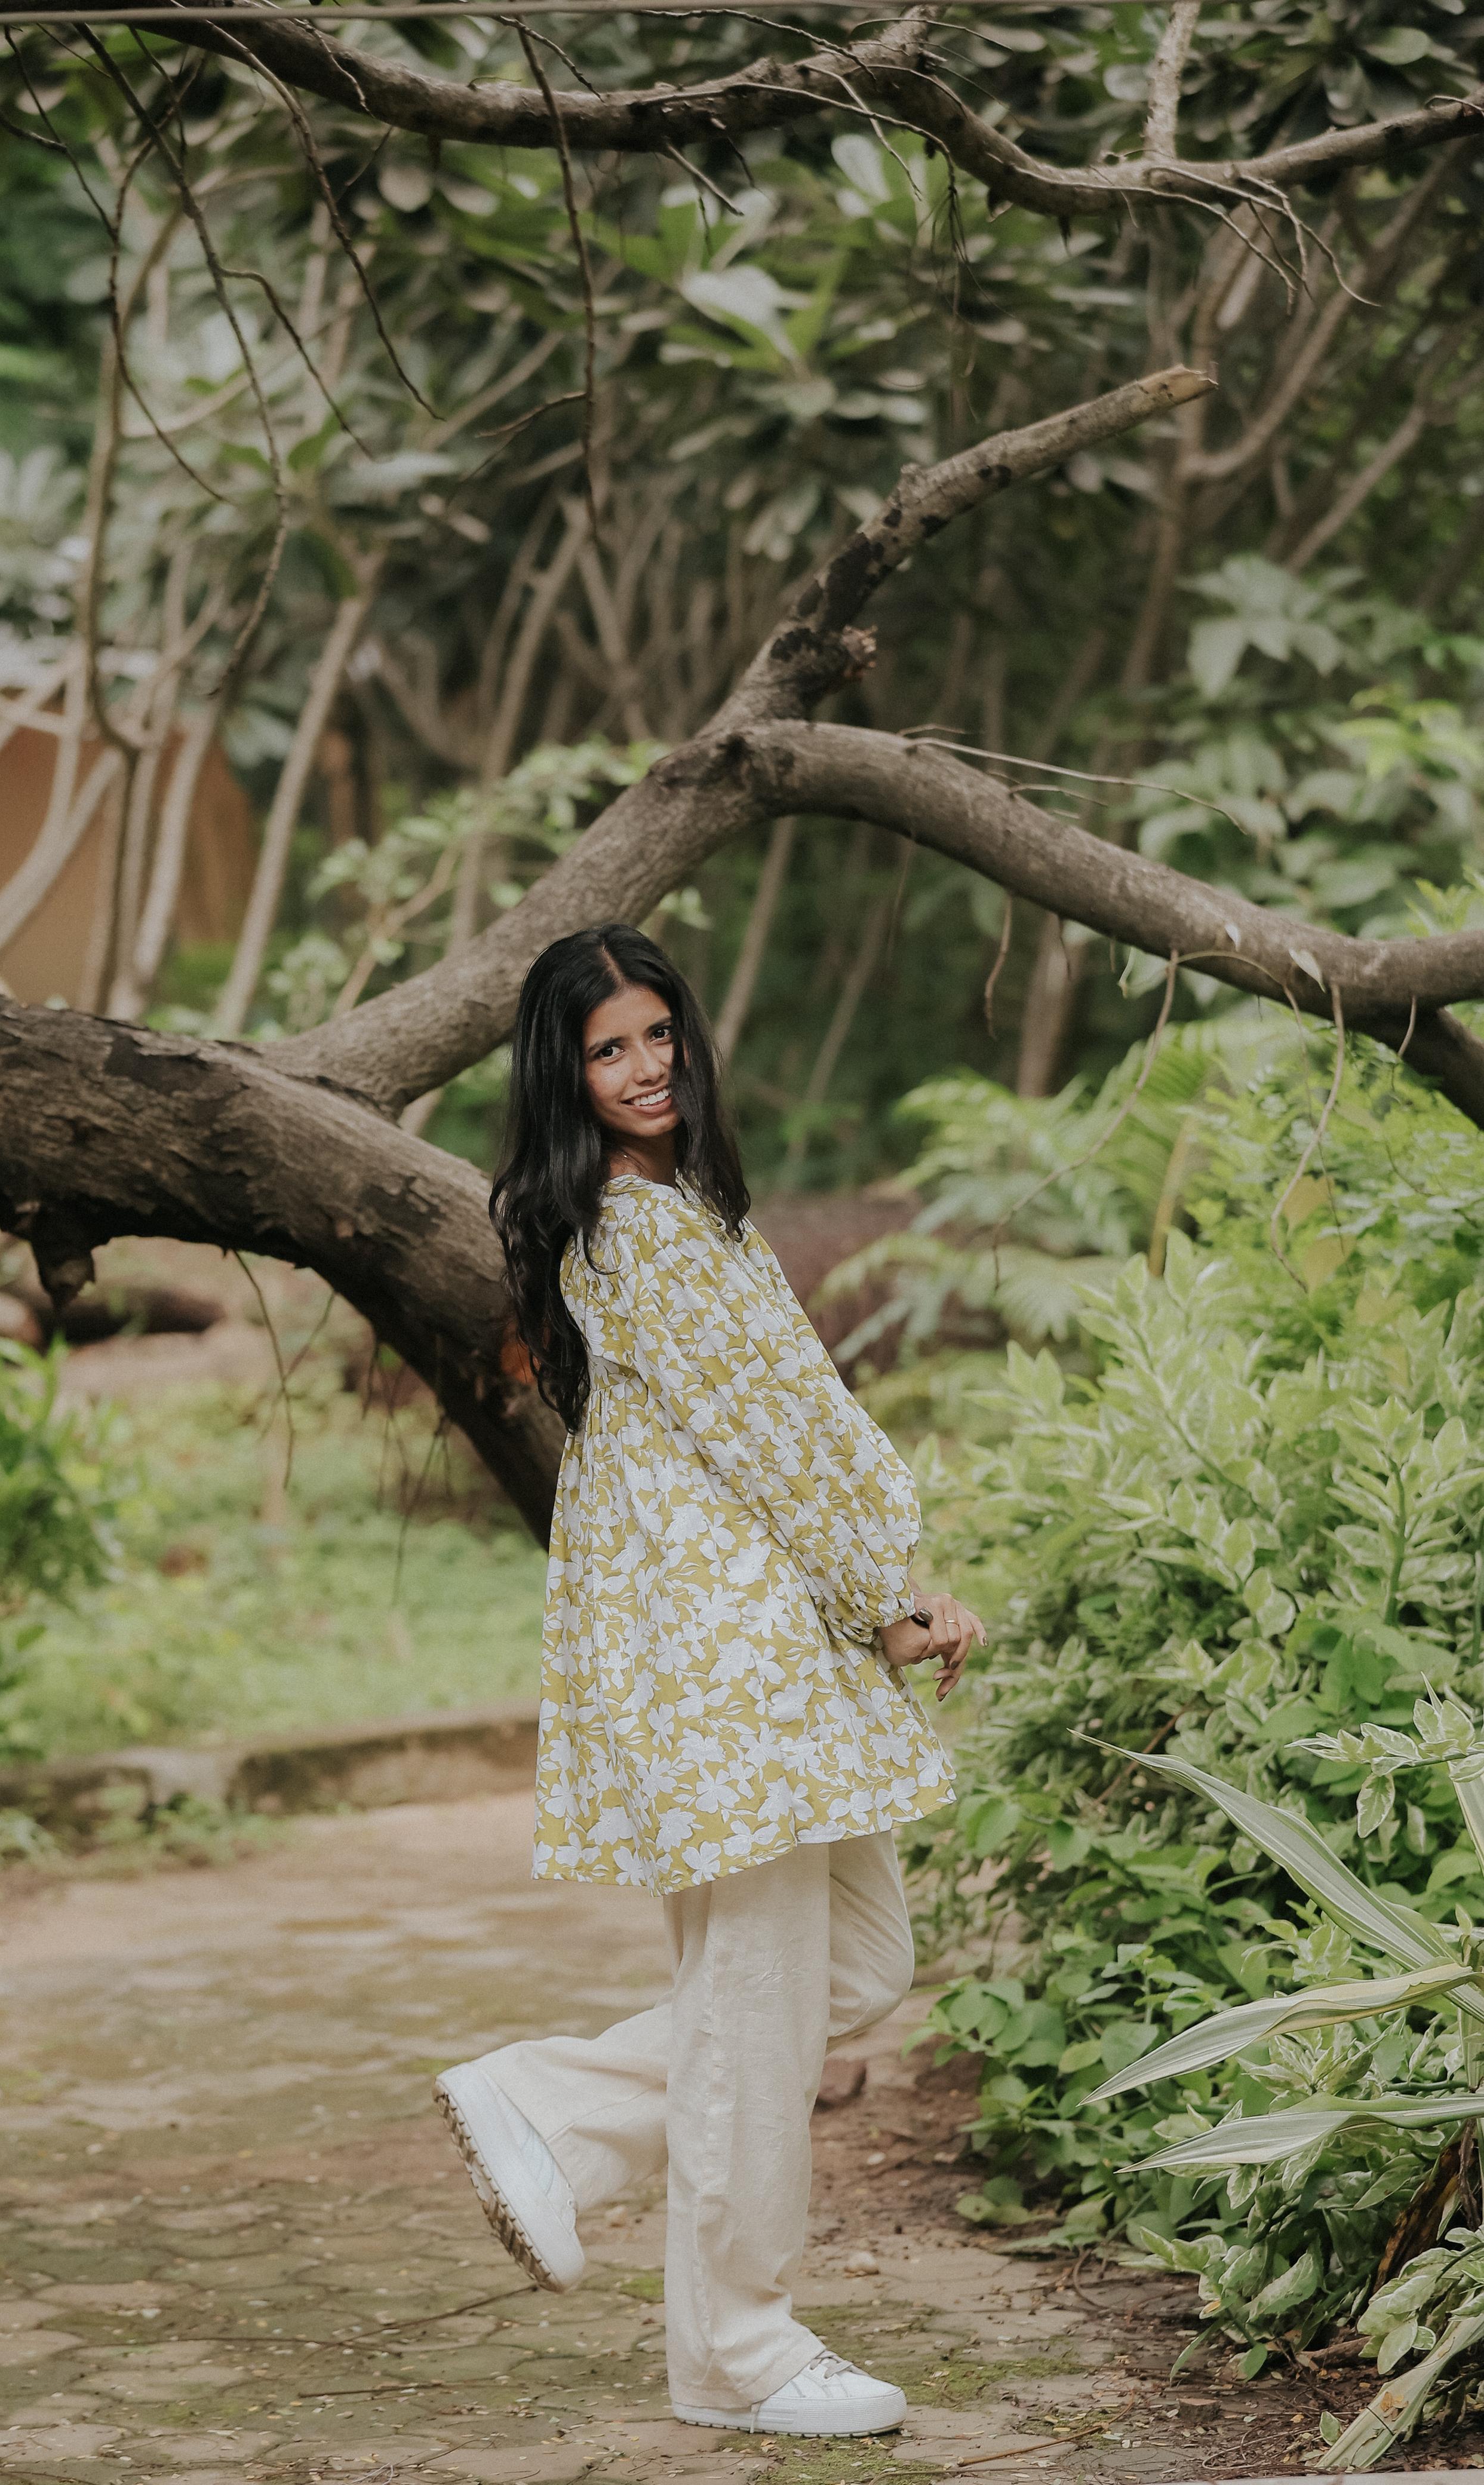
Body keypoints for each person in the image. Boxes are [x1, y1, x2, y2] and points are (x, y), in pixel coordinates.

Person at [435, 922, 984, 2441]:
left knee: (849, 1970)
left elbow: (774, 1415)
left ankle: (559, 2112)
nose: (642, 1067)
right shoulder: (642, 1229)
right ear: (567, 1073)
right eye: (607, 1049)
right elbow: (784, 1433)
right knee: (754, 1997)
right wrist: (891, 1592)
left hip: (750, 1650)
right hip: (722, 1648)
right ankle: (742, 2344)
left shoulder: (679, 1208)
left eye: (656, 1034)